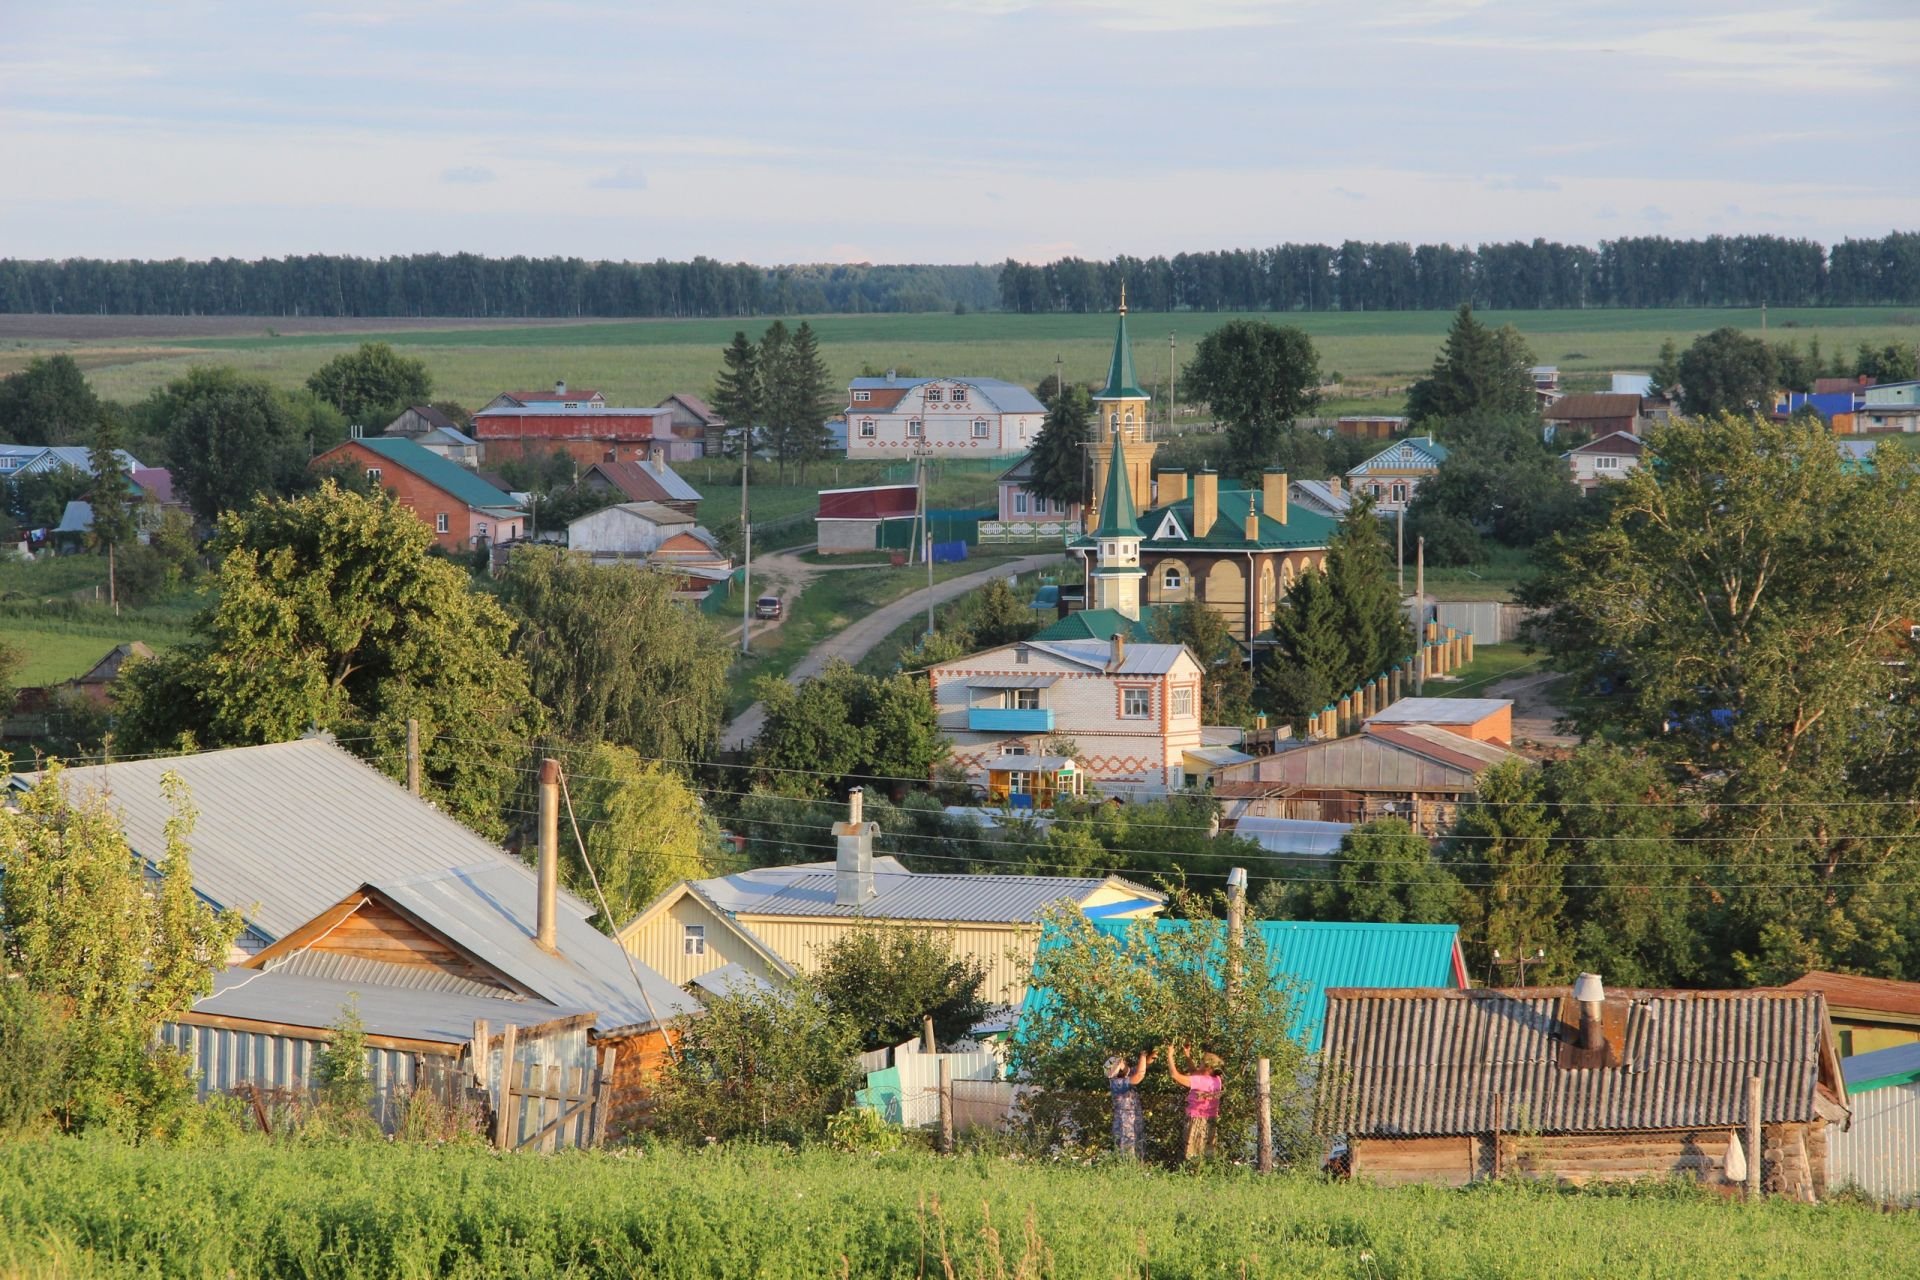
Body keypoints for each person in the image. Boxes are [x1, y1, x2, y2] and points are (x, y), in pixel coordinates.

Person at [1165, 1045, 1223, 1161]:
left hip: (1197, 1119)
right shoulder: (1217, 1080)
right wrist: (1187, 1055)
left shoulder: (1199, 1081)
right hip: (1211, 1119)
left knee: (1193, 1151)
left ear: (1207, 1066)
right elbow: (1194, 1071)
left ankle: (1192, 1171)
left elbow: (1174, 1075)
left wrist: (1170, 1056)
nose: (1199, 1064)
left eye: (1201, 1062)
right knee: (1207, 1150)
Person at [1104, 1052, 1150, 1157]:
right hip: (1124, 1125)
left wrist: (1152, 1052)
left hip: (1134, 1123)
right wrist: (1142, 1055)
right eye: (1122, 1064)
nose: (1125, 1065)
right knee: (1127, 1154)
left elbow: (1145, 1065)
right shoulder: (1116, 1082)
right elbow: (1139, 1076)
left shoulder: (1126, 1075)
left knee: (1138, 1152)